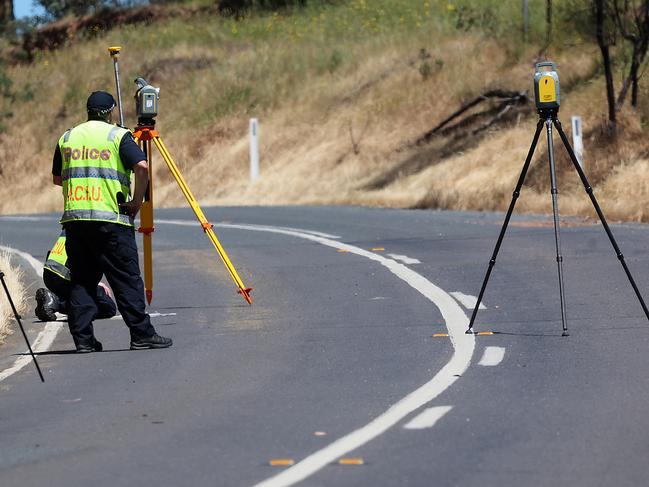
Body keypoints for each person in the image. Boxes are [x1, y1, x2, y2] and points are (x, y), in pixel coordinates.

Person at [52, 90, 172, 353]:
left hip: (76, 221)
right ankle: (141, 334)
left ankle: (83, 341)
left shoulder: (68, 137)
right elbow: (142, 167)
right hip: (111, 220)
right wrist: (137, 201)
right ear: (110, 112)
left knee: (82, 281)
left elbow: (58, 179)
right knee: (126, 279)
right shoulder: (117, 136)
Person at [34, 229, 117, 322]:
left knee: (76, 296)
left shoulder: (73, 219)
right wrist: (94, 282)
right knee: (108, 307)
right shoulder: (98, 226)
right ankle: (56, 302)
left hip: (50, 273)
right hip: (66, 275)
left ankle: (50, 301)